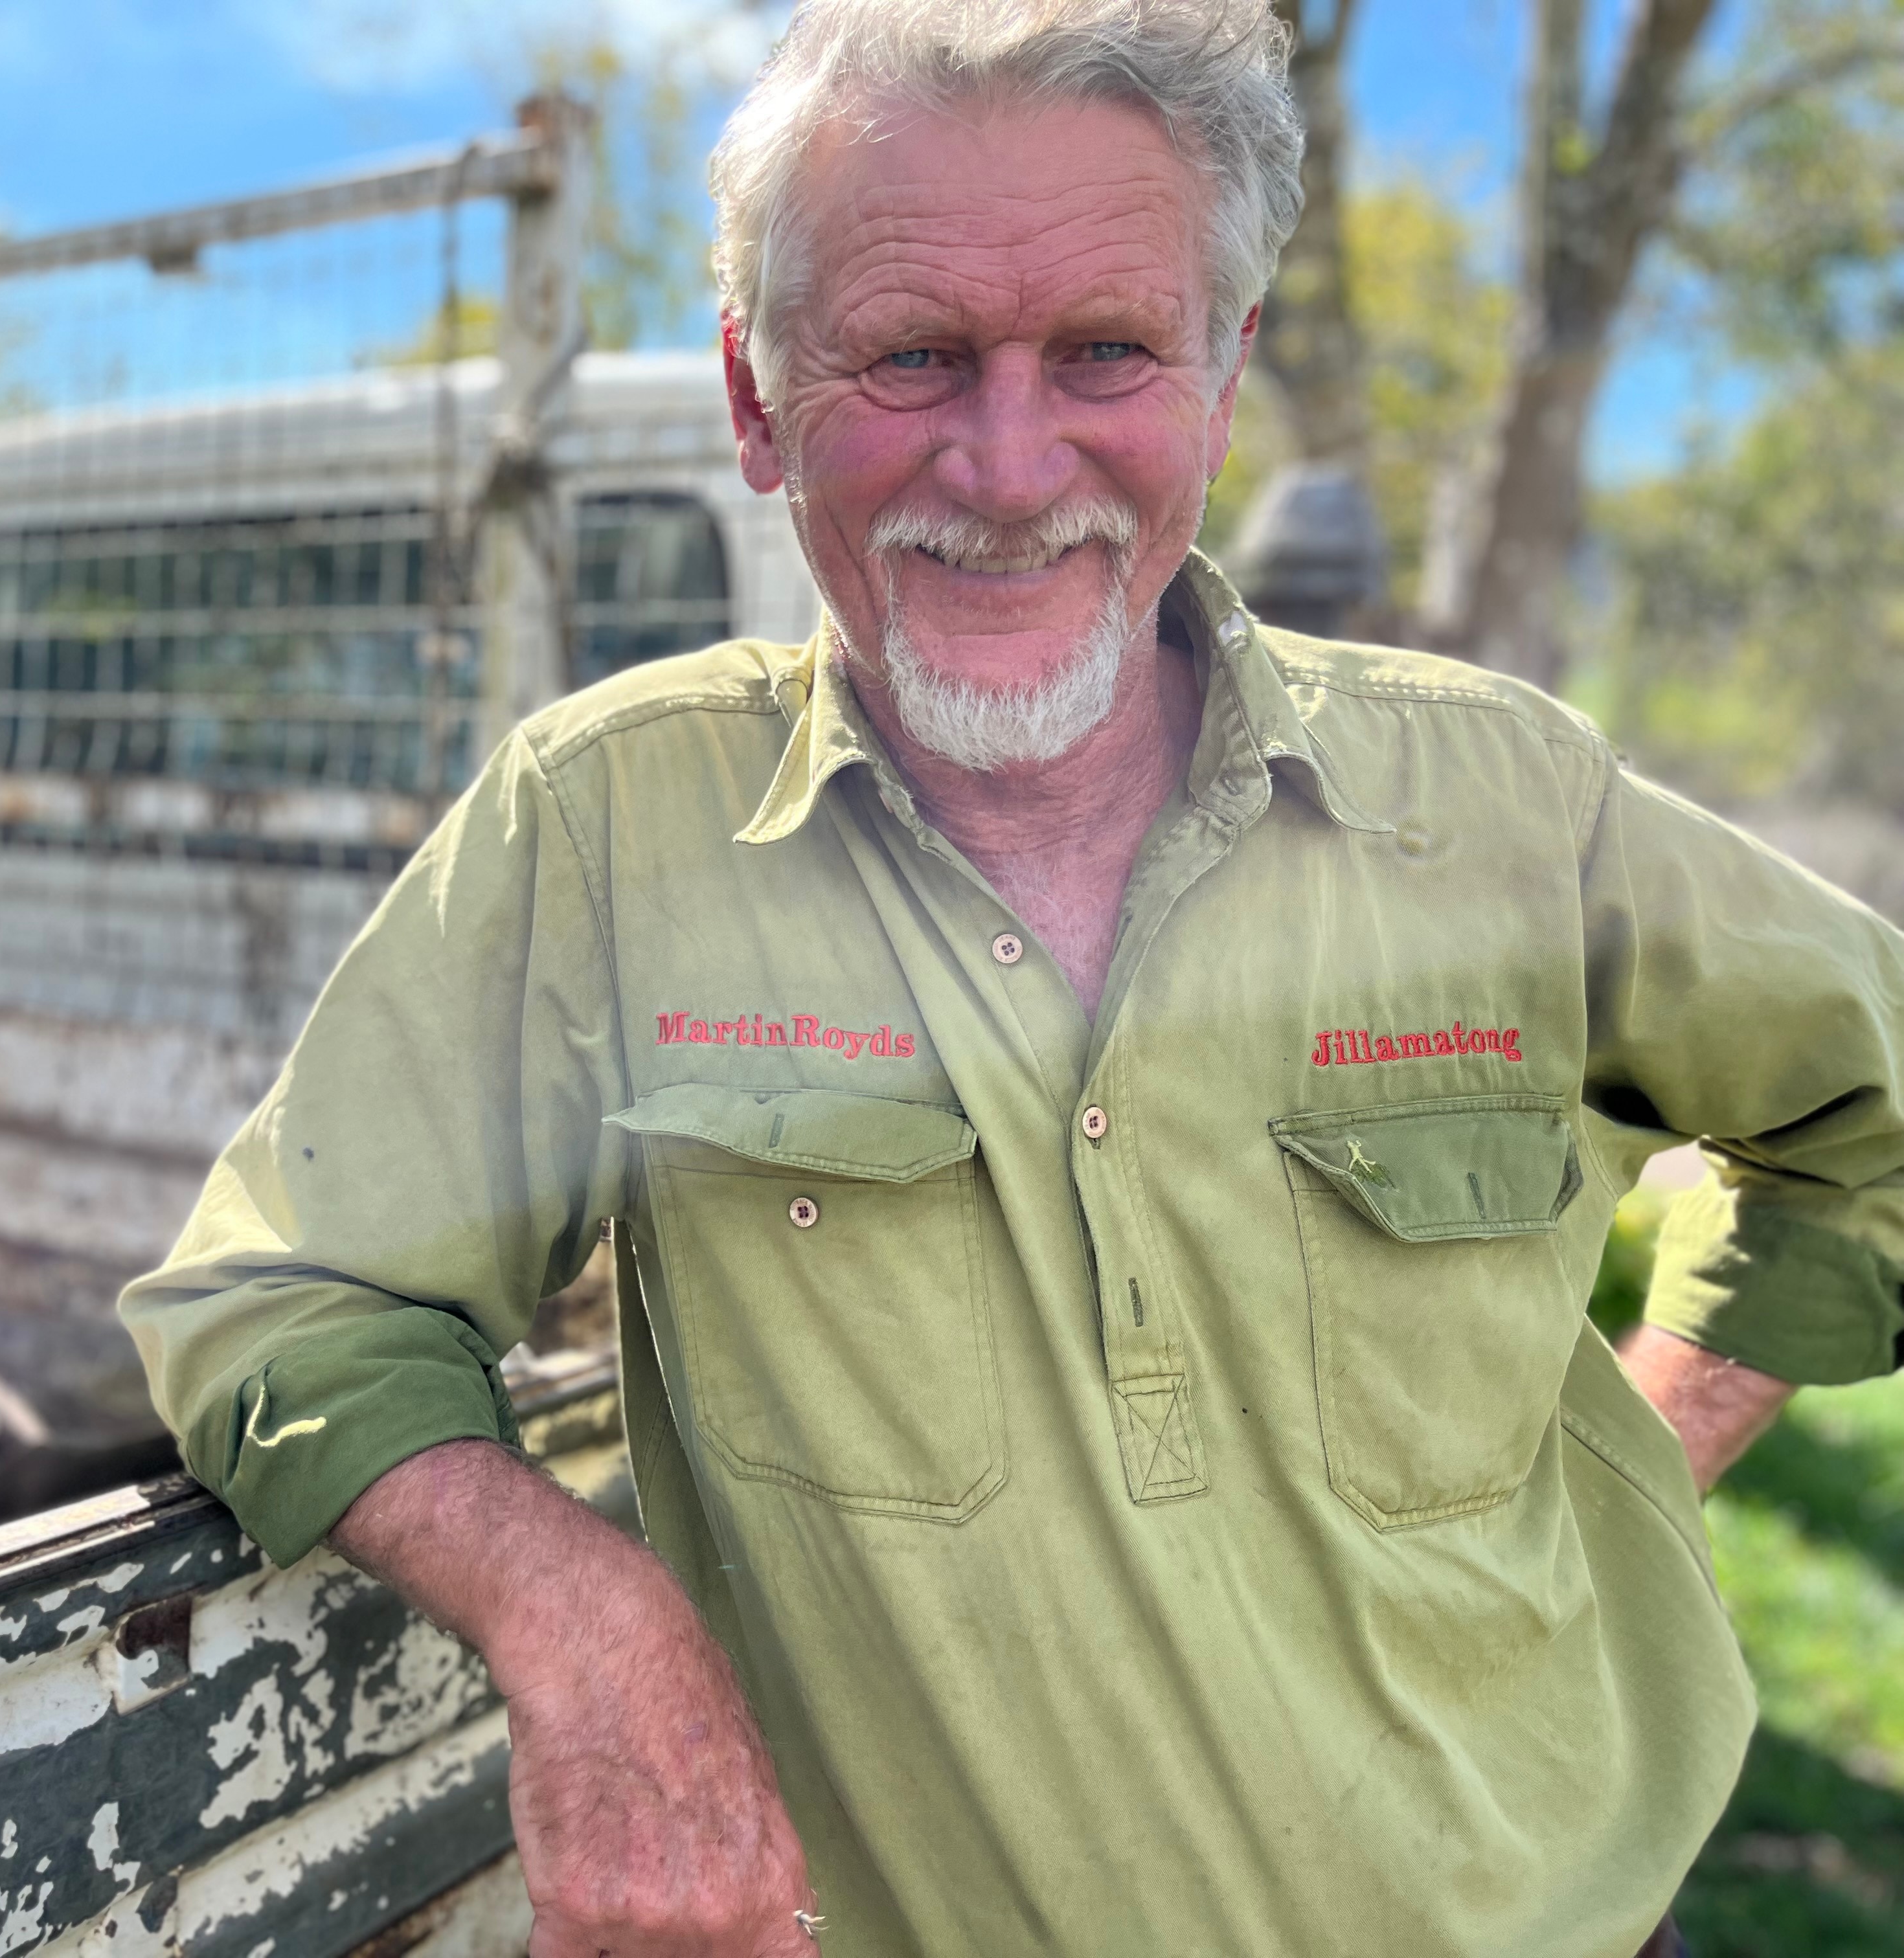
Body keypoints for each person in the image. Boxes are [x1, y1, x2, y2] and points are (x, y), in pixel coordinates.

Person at [120, 3, 1904, 1952]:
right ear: (752, 393)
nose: (1006, 458)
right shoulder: (608, 833)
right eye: (908, 355)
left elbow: (1873, 1111)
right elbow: (282, 1294)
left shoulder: (1498, 803)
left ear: (1222, 377)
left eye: (1108, 352)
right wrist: (585, 1614)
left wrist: (1653, 1444)